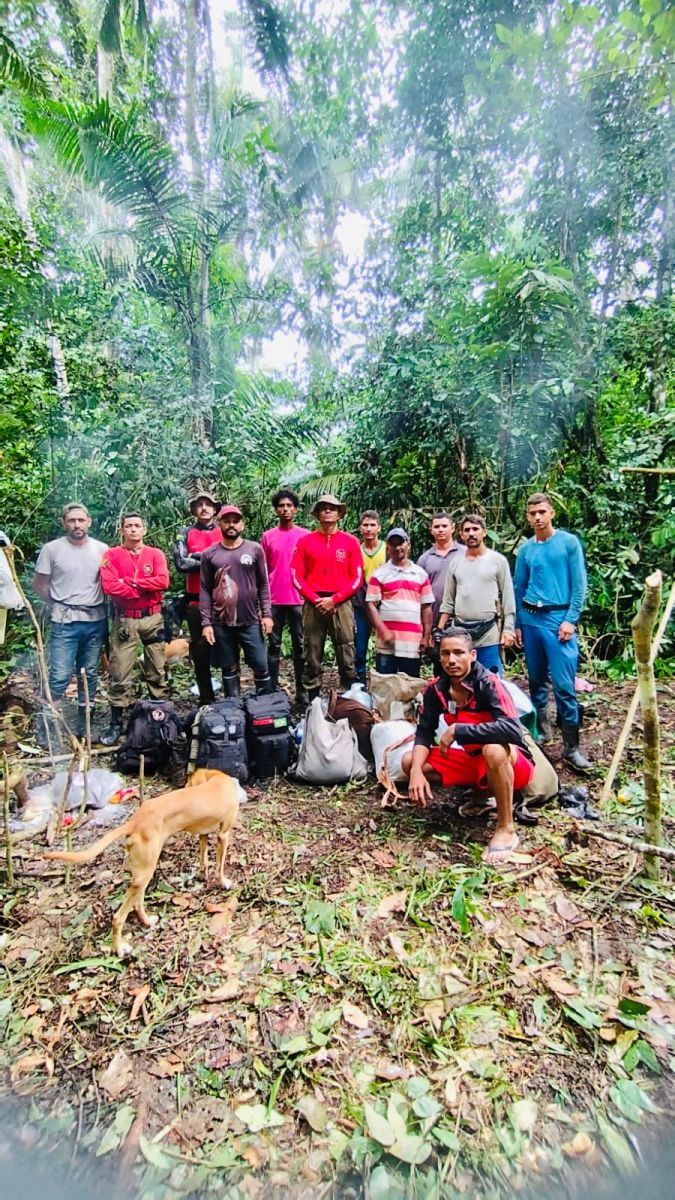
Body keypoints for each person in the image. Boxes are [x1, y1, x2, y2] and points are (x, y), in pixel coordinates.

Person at [402, 627, 534, 863]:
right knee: (410, 761)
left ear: (472, 655)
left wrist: (460, 730)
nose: (451, 660)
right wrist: (414, 773)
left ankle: (506, 829)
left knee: (492, 749)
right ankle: (483, 797)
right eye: (445, 654)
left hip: (512, 765)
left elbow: (513, 730)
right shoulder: (436, 690)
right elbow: (423, 733)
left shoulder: (489, 684)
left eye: (458, 653)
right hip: (474, 764)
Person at [514, 492, 591, 771]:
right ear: (528, 517)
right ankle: (542, 732)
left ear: (551, 513)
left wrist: (571, 619)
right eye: (532, 513)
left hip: (559, 619)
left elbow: (579, 585)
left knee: (563, 685)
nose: (537, 517)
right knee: (535, 680)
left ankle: (572, 747)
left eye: (542, 512)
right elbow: (519, 587)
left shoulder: (568, 543)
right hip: (531, 619)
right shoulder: (526, 550)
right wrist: (518, 625)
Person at [33, 503, 108, 737]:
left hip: (95, 619)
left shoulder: (102, 549)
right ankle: (47, 727)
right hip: (64, 621)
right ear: (63, 523)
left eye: (80, 520)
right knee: (60, 675)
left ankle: (85, 726)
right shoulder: (52, 549)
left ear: (89, 522)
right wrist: (59, 603)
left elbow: (108, 581)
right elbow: (39, 585)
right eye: (71, 520)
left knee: (89, 673)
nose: (76, 524)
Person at [100, 512, 170, 745]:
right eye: (128, 526)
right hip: (125, 621)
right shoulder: (111, 555)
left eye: (137, 526)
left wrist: (131, 582)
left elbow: (163, 581)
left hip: (153, 618)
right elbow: (109, 586)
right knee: (119, 671)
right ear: (121, 530)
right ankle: (116, 724)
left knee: (157, 667)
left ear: (144, 530)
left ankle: (158, 718)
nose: (132, 530)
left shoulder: (155, 554)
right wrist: (140, 591)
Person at [291, 494, 363, 698]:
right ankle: (312, 700)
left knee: (346, 650)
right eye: (323, 508)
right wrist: (315, 600)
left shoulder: (350, 542)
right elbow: (296, 576)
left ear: (339, 513)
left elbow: (357, 577)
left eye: (332, 508)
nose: (328, 511)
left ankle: (350, 698)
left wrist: (335, 599)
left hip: (341, 603)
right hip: (313, 604)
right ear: (317, 514)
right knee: (311, 652)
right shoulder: (305, 542)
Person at [200, 504, 273, 696]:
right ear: (220, 524)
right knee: (228, 666)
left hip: (250, 620)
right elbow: (205, 590)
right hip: (221, 622)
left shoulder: (254, 549)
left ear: (242, 524)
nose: (231, 525)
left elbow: (263, 584)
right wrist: (206, 623)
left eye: (236, 521)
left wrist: (267, 614)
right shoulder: (209, 555)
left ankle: (264, 705)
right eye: (227, 521)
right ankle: (234, 708)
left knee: (260, 664)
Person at [438, 514, 515, 675]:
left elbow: (508, 597)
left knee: (491, 681)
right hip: (460, 632)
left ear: (484, 532)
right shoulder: (455, 563)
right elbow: (448, 601)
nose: (471, 533)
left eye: (475, 529)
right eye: (467, 530)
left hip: (488, 632)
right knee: (461, 680)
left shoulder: (497, 561)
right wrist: (439, 631)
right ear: (461, 534)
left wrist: (508, 629)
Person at [173, 488, 221, 705]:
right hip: (195, 600)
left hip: (223, 601)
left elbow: (232, 562)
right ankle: (206, 696)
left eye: (208, 504)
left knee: (227, 648)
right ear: (194, 509)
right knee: (200, 651)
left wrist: (199, 557)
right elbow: (181, 563)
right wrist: (212, 559)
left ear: (214, 509)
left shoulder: (224, 531)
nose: (203, 508)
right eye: (199, 505)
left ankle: (232, 695)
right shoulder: (185, 533)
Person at [261, 488, 309, 704]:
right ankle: (271, 690)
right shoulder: (268, 537)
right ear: (276, 510)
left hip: (299, 600)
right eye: (281, 506)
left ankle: (302, 691)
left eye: (289, 506)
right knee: (273, 646)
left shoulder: (305, 536)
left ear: (296, 510)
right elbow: (263, 570)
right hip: (275, 600)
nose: (285, 509)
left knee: (301, 647)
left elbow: (310, 568)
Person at [366, 528, 433, 676]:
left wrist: (426, 636)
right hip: (387, 643)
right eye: (393, 544)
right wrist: (382, 630)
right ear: (388, 547)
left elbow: (426, 607)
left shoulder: (420, 574)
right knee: (385, 685)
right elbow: (371, 605)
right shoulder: (379, 574)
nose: (397, 548)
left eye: (400, 543)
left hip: (412, 642)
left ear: (408, 545)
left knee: (409, 686)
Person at [352, 510, 387, 684]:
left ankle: (381, 680)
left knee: (384, 645)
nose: (369, 529)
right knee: (359, 647)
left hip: (384, 605)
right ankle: (359, 681)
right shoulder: (356, 550)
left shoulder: (387, 549)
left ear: (379, 528)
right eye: (365, 525)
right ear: (360, 528)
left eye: (372, 525)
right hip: (360, 605)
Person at [417, 511, 465, 629]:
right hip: (432, 620)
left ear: (453, 528)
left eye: (444, 526)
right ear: (431, 530)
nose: (440, 530)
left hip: (461, 620)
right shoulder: (425, 558)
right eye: (437, 527)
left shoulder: (465, 553)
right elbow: (418, 593)